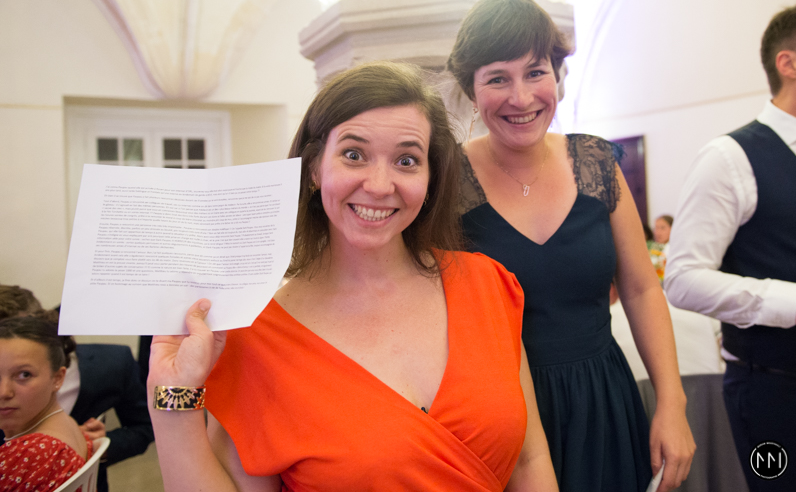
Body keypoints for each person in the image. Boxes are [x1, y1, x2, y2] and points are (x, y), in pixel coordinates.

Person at [147, 61, 558, 491]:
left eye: (406, 160)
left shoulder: (487, 286)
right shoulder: (258, 335)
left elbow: (528, 461)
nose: (379, 185)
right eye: (354, 155)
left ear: (430, 179)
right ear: (314, 167)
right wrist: (169, 400)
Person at [447, 0, 695, 492]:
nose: (521, 98)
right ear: (471, 91)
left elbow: (642, 290)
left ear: (557, 76)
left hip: (603, 400)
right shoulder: (448, 182)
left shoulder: (596, 163)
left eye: (535, 72)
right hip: (502, 418)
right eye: (498, 79)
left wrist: (672, 403)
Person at [665, 2, 796, 491]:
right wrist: (793, 302)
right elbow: (682, 279)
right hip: (775, 391)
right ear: (789, 63)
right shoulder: (730, 158)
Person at [0, 285, 155, 492]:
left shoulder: (112, 364)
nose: (4, 392)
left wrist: (102, 445)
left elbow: (145, 426)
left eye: (24, 374)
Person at [0, 315, 92, 490]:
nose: (4, 392)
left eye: (24, 375)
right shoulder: (66, 423)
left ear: (57, 378)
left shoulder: (34, 452)